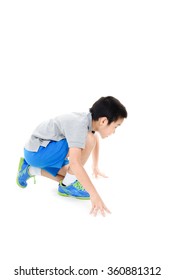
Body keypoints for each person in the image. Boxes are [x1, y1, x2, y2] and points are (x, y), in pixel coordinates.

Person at [16, 96, 127, 216]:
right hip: (37, 152)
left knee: (73, 175)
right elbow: (75, 163)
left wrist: (95, 166)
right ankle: (67, 186)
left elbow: (95, 139)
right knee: (86, 144)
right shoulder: (80, 125)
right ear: (104, 121)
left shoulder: (87, 121)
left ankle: (30, 170)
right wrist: (94, 195)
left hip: (40, 153)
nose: (114, 131)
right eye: (115, 126)